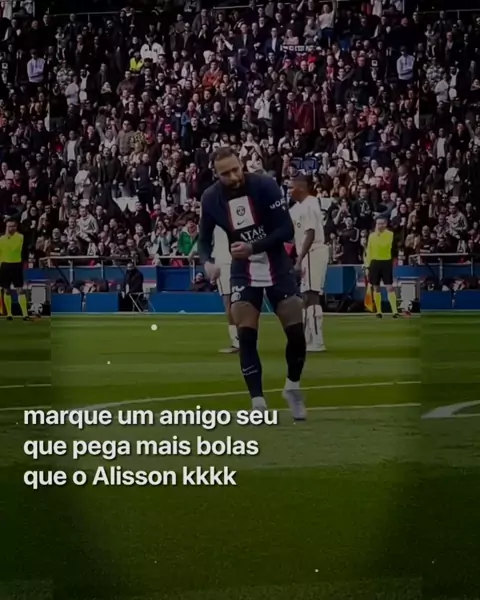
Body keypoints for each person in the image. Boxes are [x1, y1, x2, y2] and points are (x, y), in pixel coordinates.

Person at [198, 147, 307, 419]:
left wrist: (253, 246)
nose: (234, 176)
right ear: (216, 174)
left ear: (241, 163)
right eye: (226, 173)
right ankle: (258, 402)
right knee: (246, 335)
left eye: (236, 169)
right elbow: (203, 239)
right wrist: (207, 262)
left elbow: (286, 229)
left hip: (276, 265)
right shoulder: (211, 198)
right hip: (243, 270)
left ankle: (292, 387)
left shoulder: (264, 185)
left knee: (296, 334)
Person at [289, 175, 328, 351]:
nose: (289, 191)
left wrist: (299, 260)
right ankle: (307, 338)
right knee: (306, 295)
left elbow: (310, 233)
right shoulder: (296, 208)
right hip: (305, 253)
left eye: (292, 187)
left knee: (312, 294)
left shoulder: (310, 204)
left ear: (301, 187)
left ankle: (317, 340)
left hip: (313, 251)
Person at [365, 216, 399, 319]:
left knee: (389, 286)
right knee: (376, 287)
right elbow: (369, 250)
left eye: (381, 223)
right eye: (378, 224)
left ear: (385, 224)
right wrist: (367, 265)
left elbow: (388, 246)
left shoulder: (390, 235)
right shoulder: (371, 236)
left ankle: (395, 311)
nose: (379, 226)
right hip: (374, 262)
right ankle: (379, 311)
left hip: (386, 262)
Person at [213, 225, 239, 354]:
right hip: (235, 260)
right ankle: (245, 340)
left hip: (224, 263)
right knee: (239, 302)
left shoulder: (215, 218)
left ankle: (237, 342)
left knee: (228, 302)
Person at [0, 219, 30, 321]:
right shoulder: (1, 239)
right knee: (6, 290)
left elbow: (20, 248)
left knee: (20, 289)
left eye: (12, 226)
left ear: (16, 227)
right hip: (5, 265)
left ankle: (25, 314)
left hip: (16, 265)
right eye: (8, 226)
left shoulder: (20, 237)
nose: (10, 228)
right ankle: (9, 314)